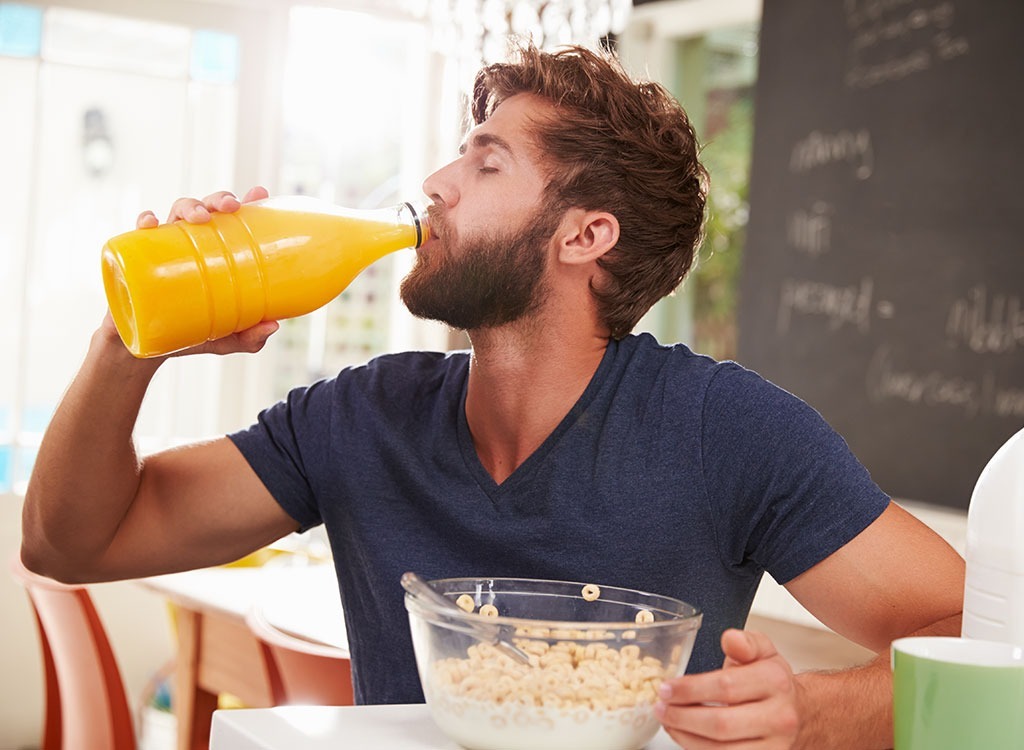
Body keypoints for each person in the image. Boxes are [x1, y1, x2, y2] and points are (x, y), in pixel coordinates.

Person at [21, 44, 963, 748]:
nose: (435, 185)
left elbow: (969, 634)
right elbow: (72, 541)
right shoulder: (364, 415)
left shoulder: (728, 432)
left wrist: (813, 711)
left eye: (486, 162)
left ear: (585, 236)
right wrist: (130, 342)